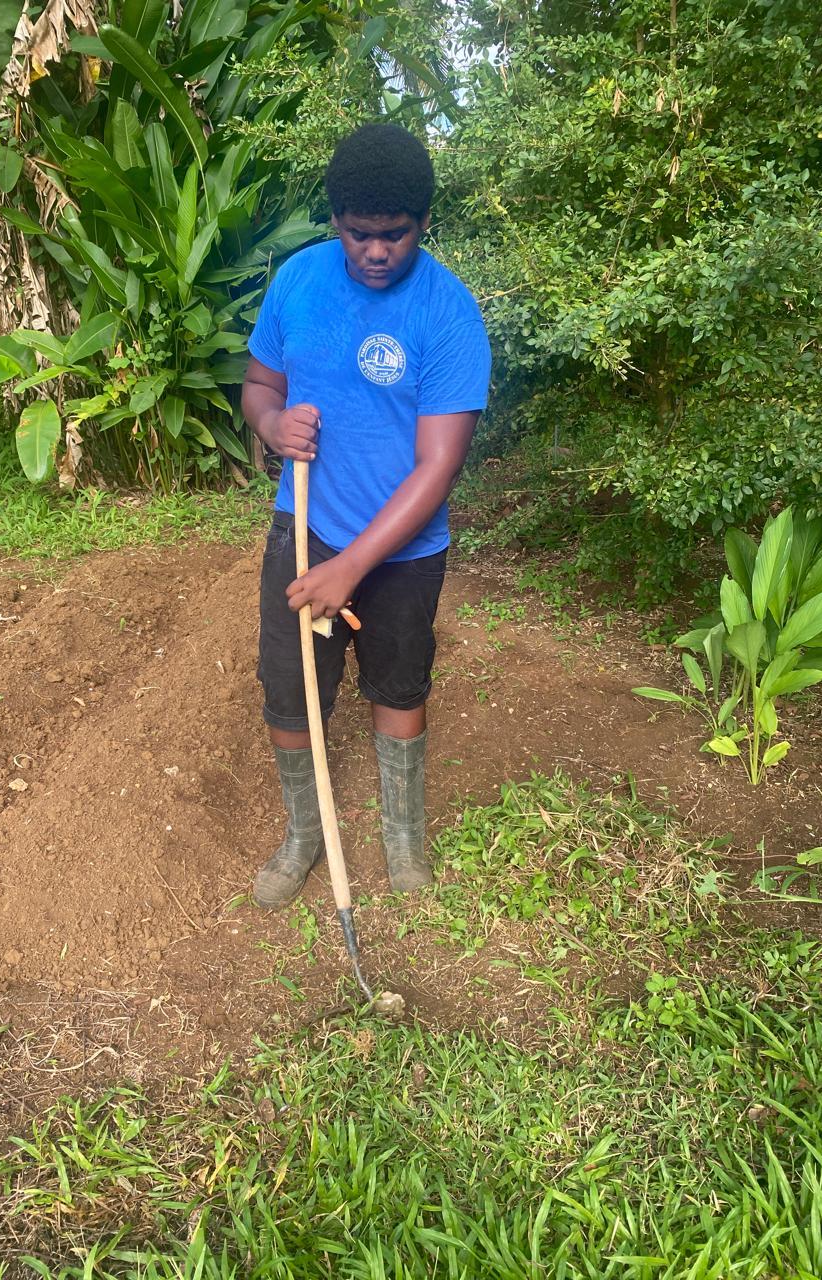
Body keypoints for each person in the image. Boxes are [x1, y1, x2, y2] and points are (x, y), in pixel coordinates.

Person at [242, 122, 491, 909]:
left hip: (404, 549)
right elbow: (260, 385)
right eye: (359, 234)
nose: (376, 252)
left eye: (395, 235)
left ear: (422, 225)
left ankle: (402, 839)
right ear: (335, 220)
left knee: (398, 684)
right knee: (291, 688)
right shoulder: (298, 282)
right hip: (304, 529)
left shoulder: (448, 313)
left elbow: (439, 464)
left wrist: (352, 567)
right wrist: (272, 425)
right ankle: (303, 836)